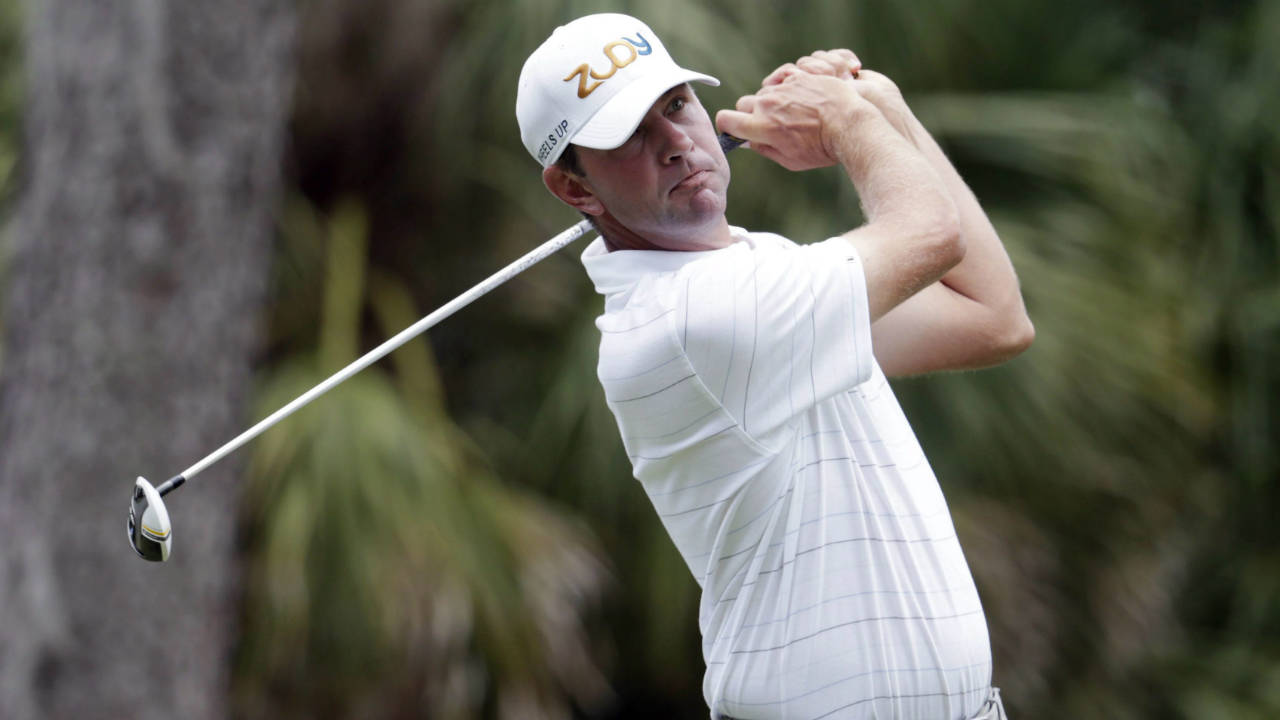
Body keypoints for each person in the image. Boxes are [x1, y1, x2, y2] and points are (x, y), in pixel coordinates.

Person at [516, 13, 1031, 720]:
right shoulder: (691, 322)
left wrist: (882, 107)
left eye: (675, 106)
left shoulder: (767, 273)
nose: (675, 142)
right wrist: (847, 120)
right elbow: (931, 234)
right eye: (630, 134)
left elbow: (993, 316)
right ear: (575, 189)